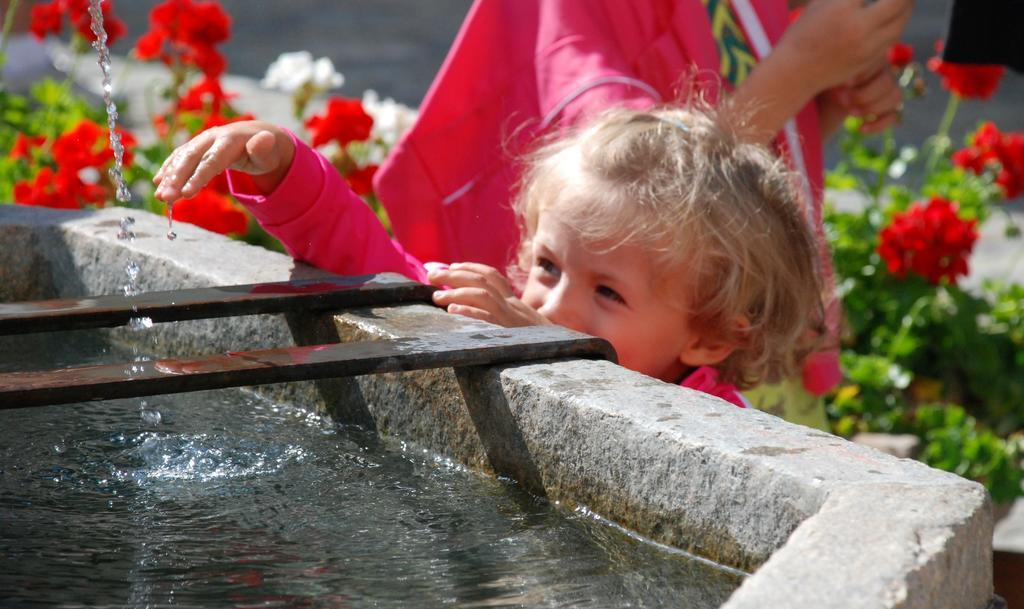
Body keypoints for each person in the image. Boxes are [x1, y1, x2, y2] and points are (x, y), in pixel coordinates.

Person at [371, 0, 914, 428]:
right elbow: (643, 187)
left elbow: (732, 202)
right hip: (661, 355)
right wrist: (800, 67)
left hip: (732, 338)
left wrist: (823, 99)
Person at [153, 105, 825, 408]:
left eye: (608, 293)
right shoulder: (491, 311)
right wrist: (279, 166)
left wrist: (550, 350)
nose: (551, 305)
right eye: (548, 266)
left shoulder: (717, 419)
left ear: (708, 333)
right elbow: (374, 267)